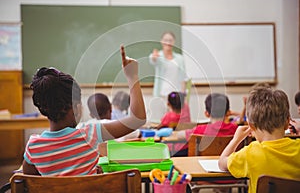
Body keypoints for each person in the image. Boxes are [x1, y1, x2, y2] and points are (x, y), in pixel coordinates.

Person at [22, 46, 146, 176]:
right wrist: (133, 76)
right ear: (76, 108)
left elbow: (28, 182)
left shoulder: (33, 147)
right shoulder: (90, 134)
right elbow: (137, 119)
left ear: (43, 109)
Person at [218, 87, 300, 193]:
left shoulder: (250, 153)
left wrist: (236, 139)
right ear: (287, 122)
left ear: (251, 126)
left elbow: (222, 163)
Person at [167, 93, 243, 157]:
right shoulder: (237, 130)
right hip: (230, 170)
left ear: (206, 113)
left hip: (201, 169)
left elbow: (180, 135)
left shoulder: (199, 130)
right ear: (228, 112)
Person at [149, 31, 187, 97]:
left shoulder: (180, 58)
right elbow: (153, 60)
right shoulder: (158, 56)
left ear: (174, 42)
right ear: (161, 41)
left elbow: (182, 77)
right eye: (165, 40)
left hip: (176, 94)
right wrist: (154, 57)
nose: (168, 42)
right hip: (161, 94)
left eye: (170, 40)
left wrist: (183, 94)